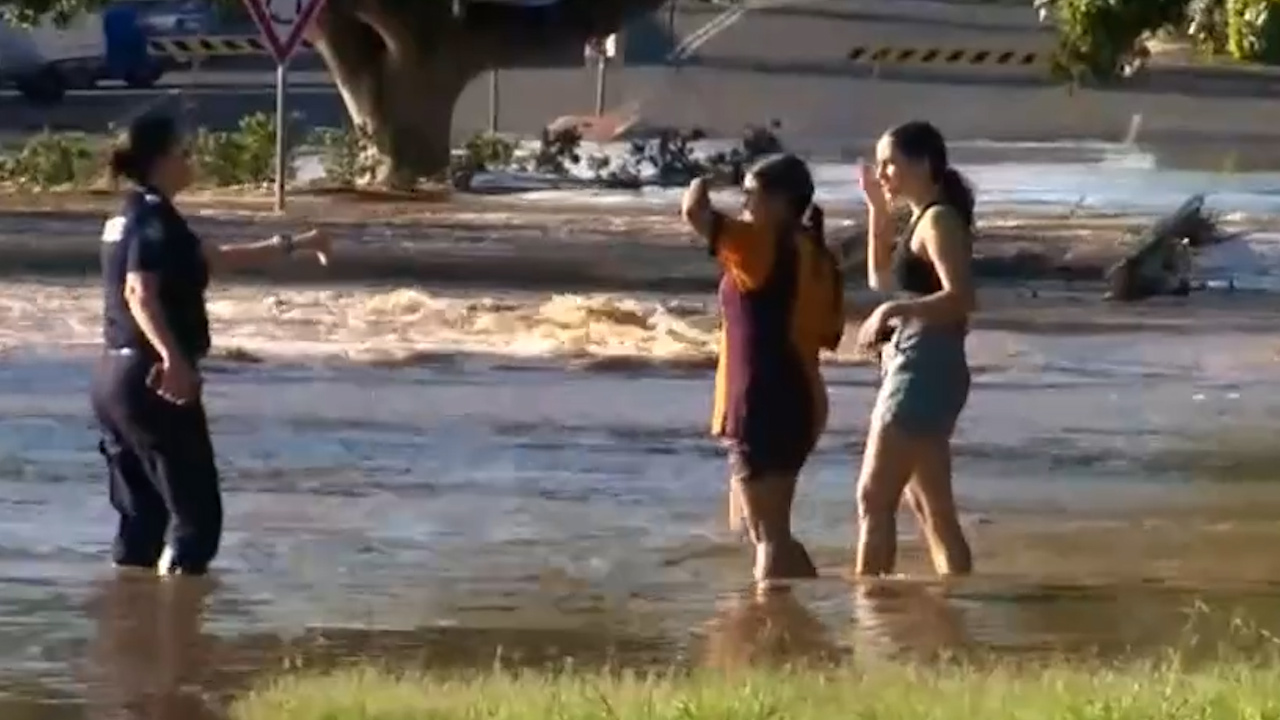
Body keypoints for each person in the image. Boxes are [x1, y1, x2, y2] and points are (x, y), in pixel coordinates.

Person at [92, 112, 331, 577]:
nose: (192, 160)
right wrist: (173, 359)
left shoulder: (130, 215)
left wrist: (298, 242)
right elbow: (139, 292)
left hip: (113, 381)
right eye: (185, 152)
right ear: (163, 159)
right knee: (197, 521)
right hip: (152, 379)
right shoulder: (153, 218)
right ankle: (179, 618)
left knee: (142, 520)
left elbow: (215, 258)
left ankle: (127, 613)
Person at [680, 154, 845, 583]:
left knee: (767, 536)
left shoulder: (761, 245)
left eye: (751, 194)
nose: (744, 203)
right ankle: (807, 609)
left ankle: (768, 617)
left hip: (762, 398)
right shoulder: (817, 254)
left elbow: (695, 212)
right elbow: (829, 332)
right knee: (774, 532)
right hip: (802, 396)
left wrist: (705, 178)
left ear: (780, 202)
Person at [854, 120, 975, 577]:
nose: (882, 172)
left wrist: (893, 312)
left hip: (925, 366)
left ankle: (870, 607)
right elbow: (881, 281)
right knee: (932, 510)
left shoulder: (940, 220)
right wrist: (876, 212)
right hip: (922, 363)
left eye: (890, 162)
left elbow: (962, 298)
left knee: (873, 497)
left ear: (923, 163)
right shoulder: (922, 218)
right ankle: (957, 601)